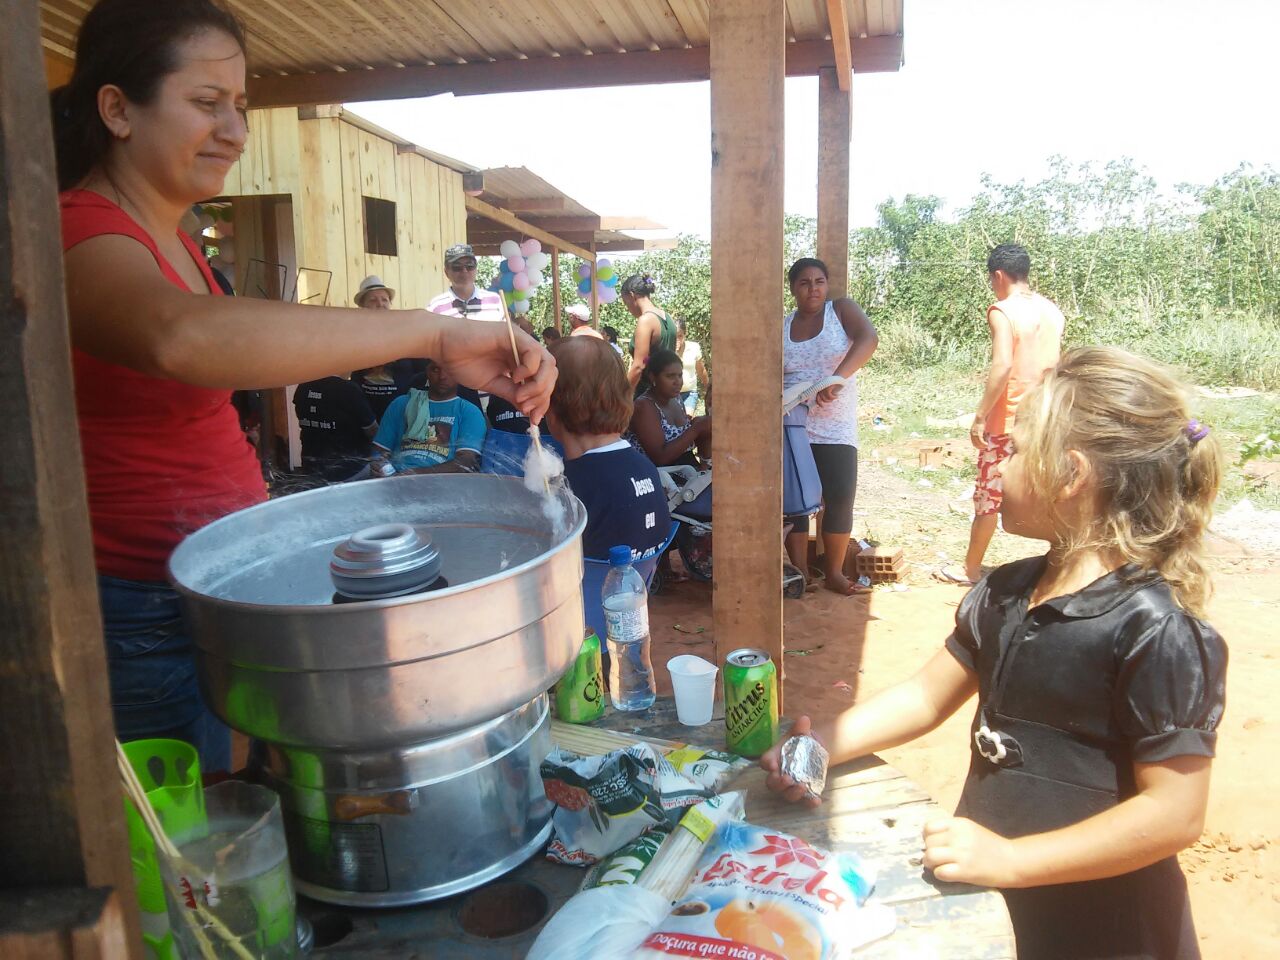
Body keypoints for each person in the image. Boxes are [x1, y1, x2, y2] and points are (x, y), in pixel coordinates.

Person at [54, 0, 554, 772]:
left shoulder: (182, 243)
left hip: (215, 586)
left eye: (241, 107)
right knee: (190, 852)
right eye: (206, 102)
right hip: (137, 610)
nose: (234, 130)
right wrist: (432, 330)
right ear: (118, 109)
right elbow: (180, 338)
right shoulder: (79, 230)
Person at [763, 347, 1226, 960]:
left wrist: (1013, 859)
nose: (996, 465)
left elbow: (1174, 815)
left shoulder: (1156, 631)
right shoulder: (1006, 592)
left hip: (1107, 929)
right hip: (997, 902)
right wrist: (818, 745)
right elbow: (925, 697)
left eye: (1011, 451)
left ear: (1070, 473)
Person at [937, 244, 1064, 585]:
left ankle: (970, 569)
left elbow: (1003, 365)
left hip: (1008, 421)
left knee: (988, 496)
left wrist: (980, 416)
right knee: (1051, 489)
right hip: (1047, 416)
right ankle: (1060, 569)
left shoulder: (1002, 310)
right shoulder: (1052, 311)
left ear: (998, 275)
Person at [782, 258, 878, 595]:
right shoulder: (782, 326)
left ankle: (835, 573)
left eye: (819, 281)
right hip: (793, 426)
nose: (813, 289)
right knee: (797, 502)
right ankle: (801, 572)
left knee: (839, 496)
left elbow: (869, 338)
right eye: (805, 283)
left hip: (836, 426)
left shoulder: (842, 310)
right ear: (793, 288)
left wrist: (838, 378)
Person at [545, 338, 670, 561]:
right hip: (635, 591)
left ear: (550, 408)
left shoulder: (571, 487)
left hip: (588, 594)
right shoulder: (646, 467)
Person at [372, 360, 487, 474]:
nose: (442, 376)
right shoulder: (401, 404)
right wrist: (379, 465)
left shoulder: (470, 412)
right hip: (395, 479)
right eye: (435, 369)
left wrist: (418, 473)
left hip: (443, 484)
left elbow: (466, 462)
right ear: (427, 372)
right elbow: (380, 451)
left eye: (450, 370)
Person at [350, 276, 428, 420]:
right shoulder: (355, 336)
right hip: (368, 416)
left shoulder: (407, 333)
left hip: (404, 415)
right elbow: (354, 379)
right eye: (373, 300)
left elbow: (422, 373)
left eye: (384, 299)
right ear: (362, 306)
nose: (380, 304)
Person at [628, 349, 710, 470]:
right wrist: (696, 429)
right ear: (652, 377)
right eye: (670, 376)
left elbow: (684, 443)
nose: (677, 382)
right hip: (661, 476)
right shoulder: (644, 406)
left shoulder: (676, 398)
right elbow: (660, 457)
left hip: (686, 468)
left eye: (680, 375)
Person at [292, 373, 377, 482]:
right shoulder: (348, 389)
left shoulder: (302, 387)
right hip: (349, 469)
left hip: (312, 468)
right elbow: (372, 430)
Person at [621, 274, 678, 394]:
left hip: (647, 394)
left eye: (626, 303)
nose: (628, 309)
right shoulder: (668, 318)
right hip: (668, 395)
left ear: (632, 295)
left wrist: (622, 394)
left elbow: (639, 367)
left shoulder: (646, 320)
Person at [426, 243, 505, 323]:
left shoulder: (495, 301)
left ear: (476, 268)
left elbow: (506, 333)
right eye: (457, 267)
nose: (464, 271)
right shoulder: (435, 307)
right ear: (446, 272)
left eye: (469, 265)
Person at [674, 316, 707, 415]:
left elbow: (701, 370)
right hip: (671, 393)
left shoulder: (694, 347)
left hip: (690, 393)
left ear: (685, 334)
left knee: (687, 419)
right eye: (674, 336)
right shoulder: (667, 349)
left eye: (680, 336)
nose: (677, 339)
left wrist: (709, 389)